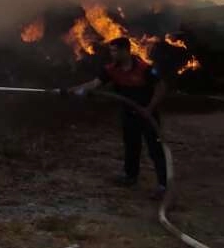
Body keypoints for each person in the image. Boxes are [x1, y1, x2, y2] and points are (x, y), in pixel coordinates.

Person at [69, 36, 168, 199]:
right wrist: (70, 91)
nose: (112, 54)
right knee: (131, 146)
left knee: (155, 149)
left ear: (125, 51)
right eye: (111, 51)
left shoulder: (144, 68)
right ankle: (130, 176)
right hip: (129, 113)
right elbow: (93, 84)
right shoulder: (111, 69)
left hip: (147, 115)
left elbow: (161, 87)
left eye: (115, 51)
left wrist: (149, 109)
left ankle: (163, 185)